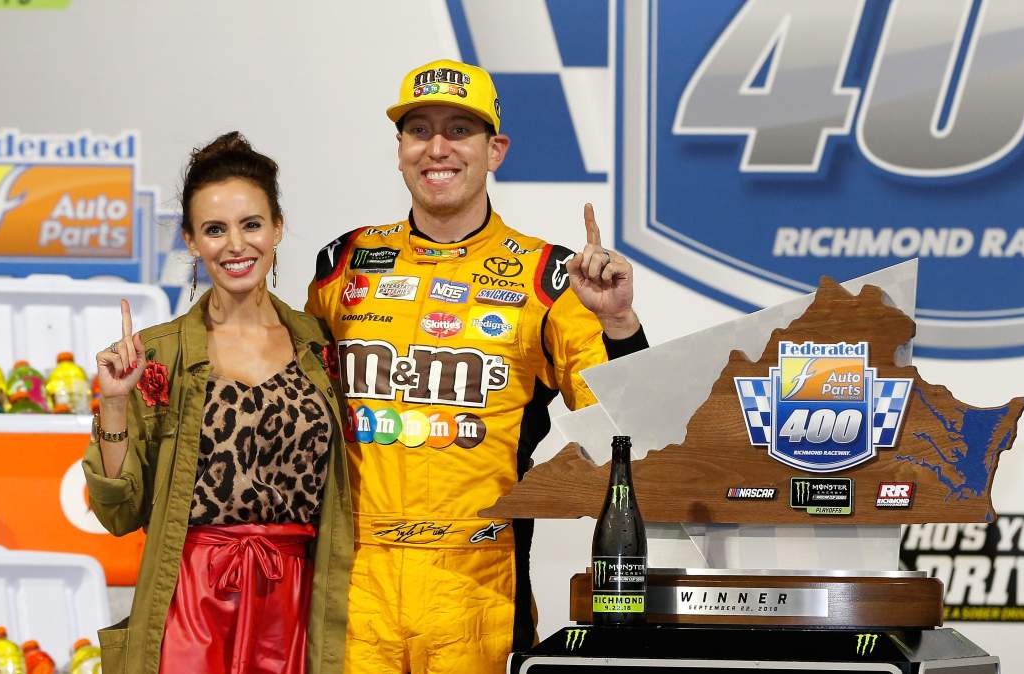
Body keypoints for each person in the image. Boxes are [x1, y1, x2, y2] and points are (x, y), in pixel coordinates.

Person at [306, 60, 649, 673]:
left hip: (478, 595)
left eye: (459, 130)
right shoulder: (343, 265)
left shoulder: (549, 278)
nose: (437, 148)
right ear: (400, 150)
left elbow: (629, 432)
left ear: (495, 150)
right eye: (419, 130)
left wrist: (619, 322)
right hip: (353, 591)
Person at [83, 132, 353, 674]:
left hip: (297, 602)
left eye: (251, 224)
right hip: (191, 603)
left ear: (277, 227)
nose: (235, 245)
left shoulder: (323, 347)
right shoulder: (157, 355)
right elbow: (119, 512)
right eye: (214, 229)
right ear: (190, 240)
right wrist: (113, 404)